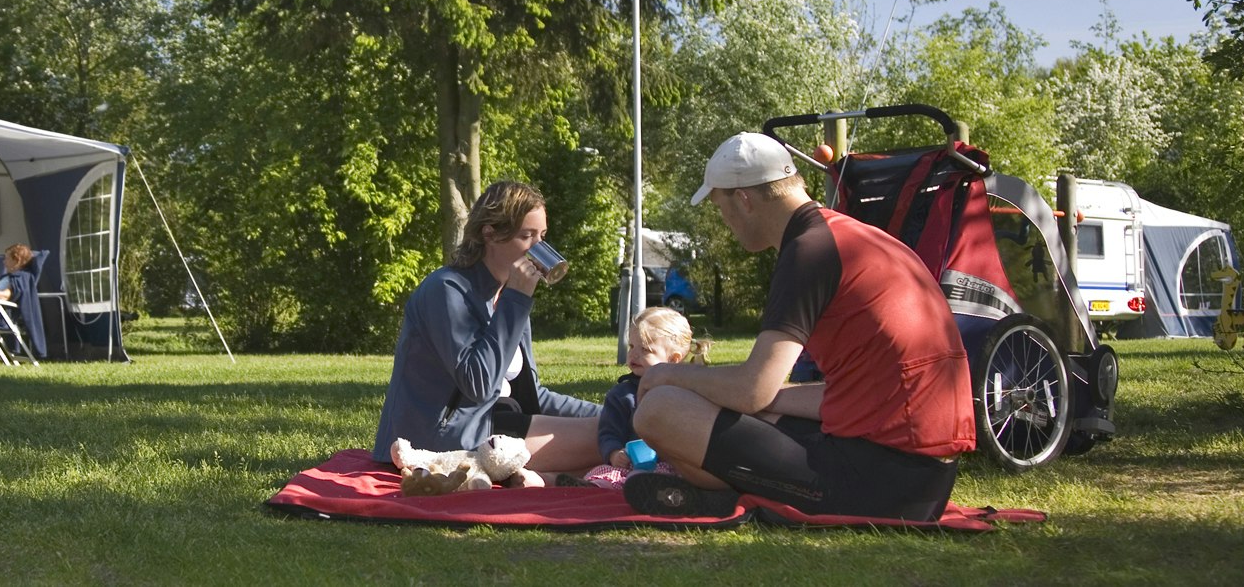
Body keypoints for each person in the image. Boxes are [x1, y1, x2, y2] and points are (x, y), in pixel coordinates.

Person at [627, 132, 975, 520]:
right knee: (754, 408)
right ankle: (725, 491)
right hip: (924, 479)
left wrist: (667, 375)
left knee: (658, 409)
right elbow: (841, 393)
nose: (724, 221)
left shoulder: (808, 252)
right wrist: (743, 400)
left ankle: (725, 494)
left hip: (883, 485)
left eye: (719, 206)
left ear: (743, 200)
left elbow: (751, 389)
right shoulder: (850, 236)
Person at [371, 181, 602, 483]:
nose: (539, 249)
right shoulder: (447, 291)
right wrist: (516, 302)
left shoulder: (507, 294)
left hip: (499, 425)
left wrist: (609, 408)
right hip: (446, 439)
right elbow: (477, 384)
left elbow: (530, 394)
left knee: (614, 423)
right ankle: (543, 476)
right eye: (526, 236)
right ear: (490, 233)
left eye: (542, 237)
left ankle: (540, 476)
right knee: (606, 436)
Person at [578, 306, 707, 488]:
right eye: (631, 346)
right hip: (630, 464)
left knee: (672, 479)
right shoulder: (622, 395)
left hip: (672, 466)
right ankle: (595, 488)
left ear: (673, 359)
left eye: (645, 349)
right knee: (602, 474)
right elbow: (608, 431)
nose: (634, 354)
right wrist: (614, 453)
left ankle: (656, 492)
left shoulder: (685, 394)